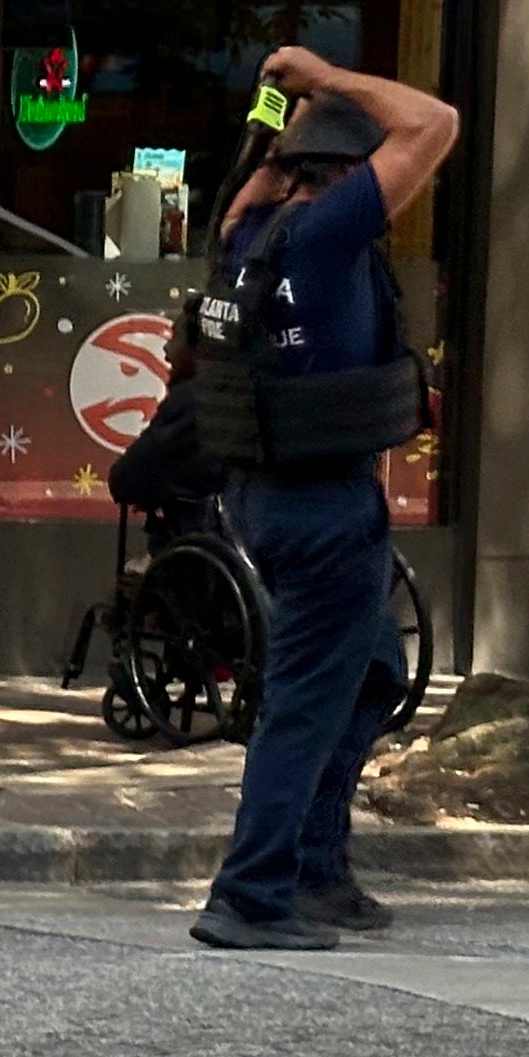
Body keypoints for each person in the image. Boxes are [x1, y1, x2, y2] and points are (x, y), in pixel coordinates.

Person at [185, 47, 458, 952]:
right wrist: (329, 77)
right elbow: (437, 123)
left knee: (373, 668)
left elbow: (243, 192)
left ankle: (317, 866)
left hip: (269, 498)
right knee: (302, 704)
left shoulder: (246, 236)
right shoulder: (328, 231)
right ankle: (253, 892)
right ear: (344, 173)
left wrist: (278, 123)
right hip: (327, 509)